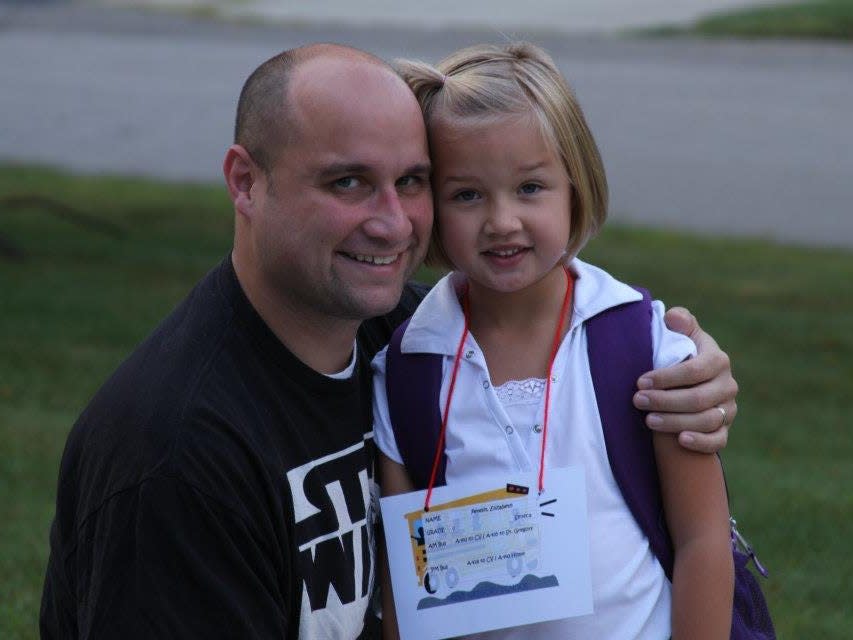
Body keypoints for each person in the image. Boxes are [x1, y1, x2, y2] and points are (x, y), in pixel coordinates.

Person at [41, 43, 737, 640]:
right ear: (245, 182)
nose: (391, 223)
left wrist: (689, 366)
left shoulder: (396, 333)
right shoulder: (176, 457)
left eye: (409, 182)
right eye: (347, 182)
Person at [375, 43, 734, 639]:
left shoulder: (643, 344)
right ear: (429, 204)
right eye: (466, 194)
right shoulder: (408, 371)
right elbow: (401, 586)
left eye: (530, 188)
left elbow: (702, 539)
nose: (502, 221)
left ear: (576, 185)